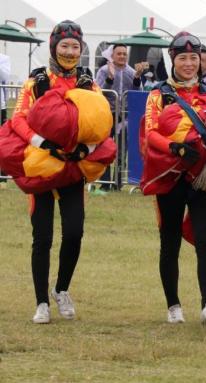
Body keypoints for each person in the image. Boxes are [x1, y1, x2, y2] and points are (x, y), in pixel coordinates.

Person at [6, 20, 115, 324]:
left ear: (81, 50)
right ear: (54, 47)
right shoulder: (36, 81)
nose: (69, 51)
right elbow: (18, 120)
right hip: (42, 165)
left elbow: (101, 123)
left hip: (72, 168)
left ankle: (61, 289)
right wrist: (43, 143)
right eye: (64, 45)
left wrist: (86, 151)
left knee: (75, 231)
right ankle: (41, 302)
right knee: (42, 237)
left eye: (75, 47)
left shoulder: (88, 84)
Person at [141, 31, 206, 324]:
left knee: (205, 237)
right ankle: (173, 306)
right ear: (173, 60)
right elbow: (150, 133)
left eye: (194, 58)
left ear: (201, 61)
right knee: (169, 240)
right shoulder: (158, 95)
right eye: (183, 58)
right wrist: (174, 147)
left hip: (203, 178)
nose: (189, 64)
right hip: (171, 176)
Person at [96, 44, 145, 193]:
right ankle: (104, 183)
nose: (122, 56)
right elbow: (98, 91)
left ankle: (117, 184)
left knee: (121, 149)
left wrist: (137, 78)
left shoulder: (131, 71)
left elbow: (138, 93)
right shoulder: (104, 71)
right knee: (104, 147)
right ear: (112, 55)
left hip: (124, 116)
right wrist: (110, 78)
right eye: (119, 54)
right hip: (107, 113)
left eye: (124, 54)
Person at [0, 53, 10, 185]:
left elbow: (4, 78)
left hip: (0, 106)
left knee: (2, 142)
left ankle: (2, 177)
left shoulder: (4, 58)